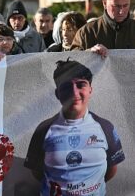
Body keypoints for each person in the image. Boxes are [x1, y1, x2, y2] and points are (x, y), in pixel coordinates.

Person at [24, 59, 125, 196]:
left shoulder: (105, 127)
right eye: (66, 86)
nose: (74, 93)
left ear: (90, 90)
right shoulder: (44, 129)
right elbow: (37, 172)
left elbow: (111, 170)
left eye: (80, 85)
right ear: (57, 93)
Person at [71, 0, 135, 58]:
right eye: (116, 6)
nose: (121, 11)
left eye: (125, 5)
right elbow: (72, 60)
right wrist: (88, 53)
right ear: (104, 3)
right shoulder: (87, 32)